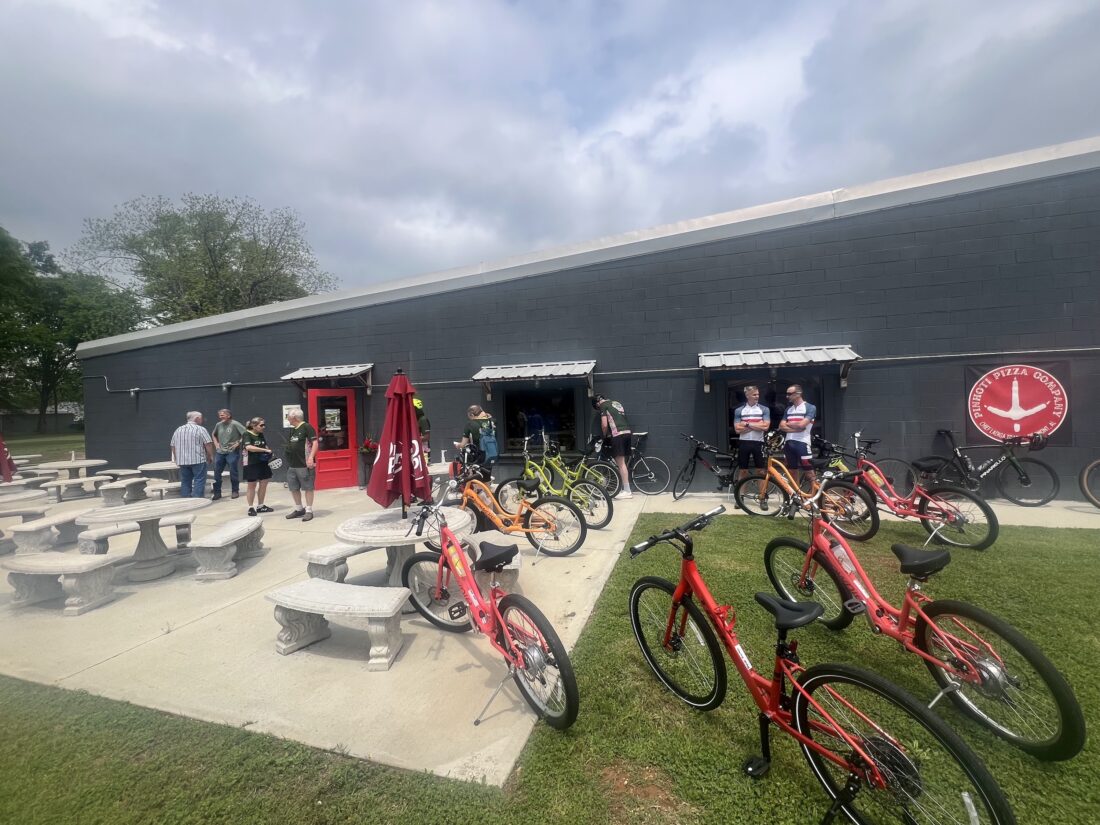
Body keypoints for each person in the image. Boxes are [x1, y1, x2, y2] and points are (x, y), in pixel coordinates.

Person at [733, 386, 771, 506]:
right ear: (747, 395)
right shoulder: (739, 410)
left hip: (758, 443)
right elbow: (737, 430)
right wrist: (757, 425)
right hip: (744, 443)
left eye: (758, 394)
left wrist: (747, 424)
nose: (757, 396)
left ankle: (762, 498)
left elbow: (765, 427)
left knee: (760, 471)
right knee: (743, 471)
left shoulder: (764, 409)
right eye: (754, 394)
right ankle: (740, 498)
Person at [593, 393, 633, 499]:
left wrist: (604, 436)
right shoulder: (616, 403)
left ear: (597, 403)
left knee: (621, 464)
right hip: (627, 432)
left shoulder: (603, 405)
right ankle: (625, 487)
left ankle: (627, 491)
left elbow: (605, 424)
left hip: (618, 434)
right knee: (623, 463)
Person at [284, 407, 318, 522]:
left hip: (304, 464)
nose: (287, 418)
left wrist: (311, 458)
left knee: (308, 487)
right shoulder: (293, 429)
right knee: (294, 488)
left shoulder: (306, 427)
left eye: (288, 415)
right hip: (292, 465)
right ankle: (299, 509)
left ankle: (309, 510)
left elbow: (315, 443)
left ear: (294, 417)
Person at [779, 384, 817, 489]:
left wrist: (789, 424)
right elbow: (781, 426)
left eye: (789, 394)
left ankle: (815, 497)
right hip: (788, 444)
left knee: (809, 473)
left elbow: (802, 425)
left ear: (798, 394)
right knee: (792, 472)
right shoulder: (788, 409)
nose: (787, 396)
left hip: (802, 443)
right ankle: (796, 496)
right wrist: (796, 427)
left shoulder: (810, 407)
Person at [169, 411, 214, 498]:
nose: (202, 420)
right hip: (198, 460)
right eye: (201, 418)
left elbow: (173, 446)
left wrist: (176, 458)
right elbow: (208, 444)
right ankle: (197, 500)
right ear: (197, 418)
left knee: (185, 480)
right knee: (199, 480)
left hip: (183, 461)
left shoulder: (178, 429)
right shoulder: (200, 429)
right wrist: (210, 456)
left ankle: (186, 499)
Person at [241, 416, 275, 516]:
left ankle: (261, 506)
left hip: (262, 462)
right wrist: (265, 450)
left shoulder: (260, 434)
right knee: (252, 485)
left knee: (264, 483)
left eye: (264, 425)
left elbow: (265, 446)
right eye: (261, 425)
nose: (263, 427)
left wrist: (269, 452)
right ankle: (250, 507)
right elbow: (249, 447)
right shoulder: (247, 434)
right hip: (251, 463)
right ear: (253, 426)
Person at [211, 408, 246, 501]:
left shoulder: (235, 424)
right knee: (217, 472)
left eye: (222, 415)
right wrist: (216, 444)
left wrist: (238, 442)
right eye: (219, 415)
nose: (220, 417)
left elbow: (246, 434)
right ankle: (217, 492)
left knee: (233, 471)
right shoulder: (218, 425)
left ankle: (235, 491)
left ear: (229, 415)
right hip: (220, 452)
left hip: (232, 452)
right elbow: (213, 434)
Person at [454, 404, 498, 474]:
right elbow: (491, 417)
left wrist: (458, 445)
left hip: (479, 456)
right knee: (486, 477)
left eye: (469, 417)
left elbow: (463, 444)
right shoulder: (491, 421)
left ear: (472, 415)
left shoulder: (470, 424)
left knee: (476, 479)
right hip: (491, 453)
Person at [413, 397, 431, 467]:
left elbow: (426, 437)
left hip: (423, 453)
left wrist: (411, 439)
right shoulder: (416, 419)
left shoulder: (422, 420)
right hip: (417, 451)